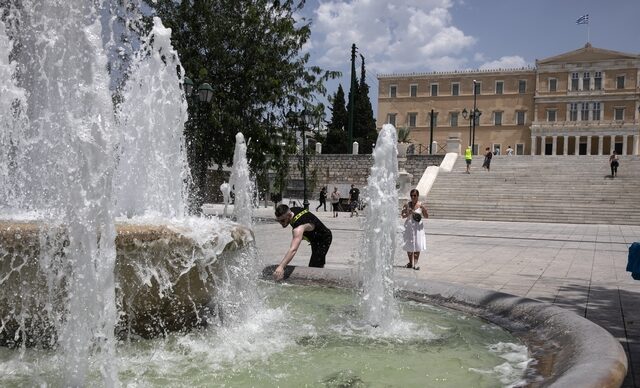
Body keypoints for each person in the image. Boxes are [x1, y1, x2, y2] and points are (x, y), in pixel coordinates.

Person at [273, 204, 333, 281]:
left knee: (314, 267)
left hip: (323, 239)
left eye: (282, 220)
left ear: (289, 215)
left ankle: (321, 284)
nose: (281, 223)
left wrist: (281, 267)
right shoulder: (293, 210)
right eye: (278, 220)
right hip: (315, 237)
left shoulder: (298, 228)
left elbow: (293, 250)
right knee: (316, 263)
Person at [401, 189, 428, 270]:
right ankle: (410, 262)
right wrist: (408, 212)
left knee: (417, 244)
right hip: (409, 226)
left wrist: (424, 209)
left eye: (414, 195)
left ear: (417, 196)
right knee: (409, 244)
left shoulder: (420, 205)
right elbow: (403, 215)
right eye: (411, 195)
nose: (413, 197)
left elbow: (426, 216)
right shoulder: (407, 205)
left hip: (418, 228)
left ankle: (415, 263)